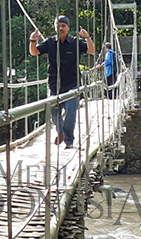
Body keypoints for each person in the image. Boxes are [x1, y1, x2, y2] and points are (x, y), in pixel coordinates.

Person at [30, 15, 95, 149]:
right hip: (54, 84)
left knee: (71, 113)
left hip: (72, 83)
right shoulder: (49, 42)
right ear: (54, 27)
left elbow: (91, 50)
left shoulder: (75, 42)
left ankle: (68, 140)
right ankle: (61, 132)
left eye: (63, 25)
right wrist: (32, 40)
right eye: (58, 25)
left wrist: (87, 38)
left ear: (68, 28)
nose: (60, 28)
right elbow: (34, 52)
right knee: (54, 114)